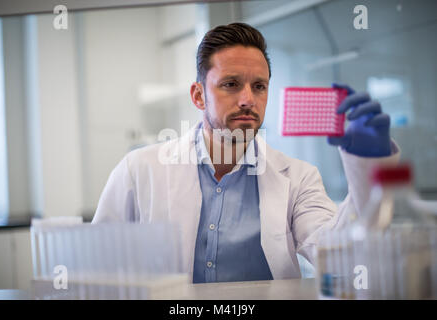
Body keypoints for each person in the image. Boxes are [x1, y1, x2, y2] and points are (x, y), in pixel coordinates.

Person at [92, 23, 399, 283]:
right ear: (199, 96)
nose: (247, 99)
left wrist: (370, 167)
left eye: (259, 86)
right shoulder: (139, 169)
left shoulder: (298, 178)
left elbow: (340, 256)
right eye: (231, 84)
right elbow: (97, 264)